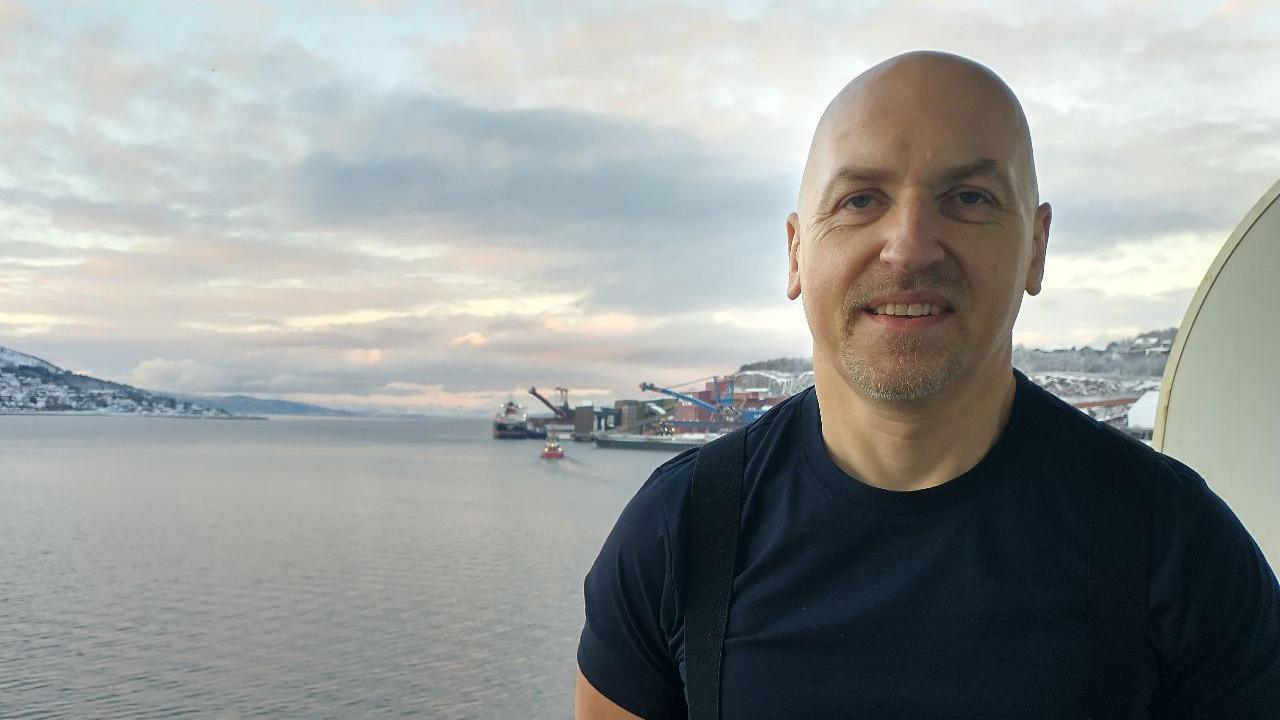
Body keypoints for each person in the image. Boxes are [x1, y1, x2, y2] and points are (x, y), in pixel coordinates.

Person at [574, 51, 1280, 719]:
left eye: (969, 197)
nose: (909, 244)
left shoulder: (1178, 548)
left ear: (1036, 247)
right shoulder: (677, 535)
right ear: (795, 251)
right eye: (859, 200)